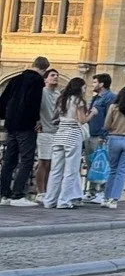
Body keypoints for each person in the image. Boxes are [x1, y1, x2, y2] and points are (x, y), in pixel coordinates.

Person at [0, 57, 50, 205]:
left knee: (9, 160)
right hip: (26, 125)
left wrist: (6, 118)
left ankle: (4, 194)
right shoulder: (36, 81)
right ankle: (18, 195)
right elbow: (33, 103)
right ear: (44, 69)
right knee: (27, 160)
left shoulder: (15, 79)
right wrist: (36, 120)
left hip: (11, 125)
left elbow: (3, 101)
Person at [43, 78, 89, 210]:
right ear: (79, 88)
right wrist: (92, 114)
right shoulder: (78, 100)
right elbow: (82, 120)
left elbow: (54, 119)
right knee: (71, 170)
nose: (85, 90)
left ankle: (50, 200)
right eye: (84, 87)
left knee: (55, 170)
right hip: (72, 136)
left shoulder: (61, 99)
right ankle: (64, 200)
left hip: (59, 136)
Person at [85, 73, 116, 202]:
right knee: (91, 164)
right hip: (91, 133)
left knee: (102, 164)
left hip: (100, 135)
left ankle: (103, 192)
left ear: (101, 84)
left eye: (95, 82)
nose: (93, 85)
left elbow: (110, 117)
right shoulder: (97, 97)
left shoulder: (111, 98)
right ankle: (91, 192)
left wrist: (104, 135)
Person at [33, 69, 61, 200]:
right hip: (44, 131)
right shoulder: (41, 92)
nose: (55, 77)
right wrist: (37, 120)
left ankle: (48, 190)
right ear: (46, 79)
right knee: (43, 162)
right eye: (52, 75)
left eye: (57, 76)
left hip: (56, 131)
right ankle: (40, 191)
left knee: (52, 163)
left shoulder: (58, 94)